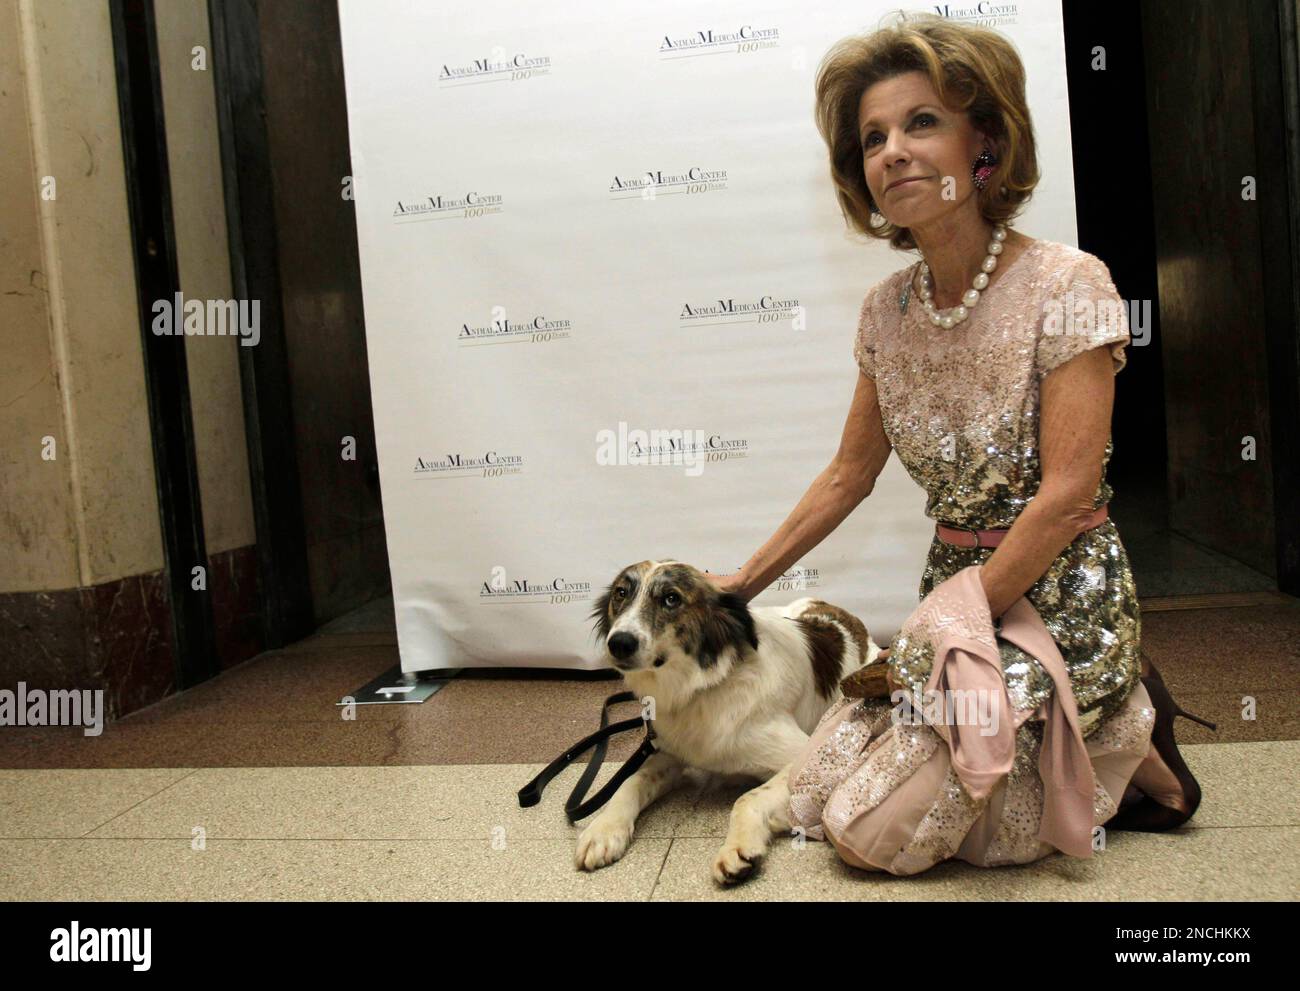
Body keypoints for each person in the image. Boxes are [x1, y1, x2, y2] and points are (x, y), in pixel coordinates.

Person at [704, 12, 1212, 874]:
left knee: (871, 838)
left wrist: (961, 614)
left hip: (1057, 590)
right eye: (873, 138)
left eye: (921, 122)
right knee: (816, 790)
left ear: (986, 143)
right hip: (955, 600)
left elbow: (1068, 494)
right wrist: (740, 585)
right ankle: (1079, 737)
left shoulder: (1068, 282)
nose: (893, 150)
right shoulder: (884, 313)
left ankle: (1126, 723)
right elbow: (848, 474)